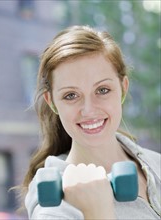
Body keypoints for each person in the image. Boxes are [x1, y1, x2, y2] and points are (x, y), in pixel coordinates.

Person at [23, 25, 161, 219]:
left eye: (102, 90)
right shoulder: (53, 203)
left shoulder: (155, 162)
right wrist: (96, 213)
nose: (89, 110)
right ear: (52, 102)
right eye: (71, 95)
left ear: (123, 88)